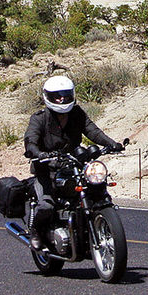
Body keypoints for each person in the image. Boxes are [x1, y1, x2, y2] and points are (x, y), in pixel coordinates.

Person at [23, 75, 123, 248]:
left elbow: (93, 131)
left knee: (96, 189)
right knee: (46, 204)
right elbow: (30, 139)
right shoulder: (39, 118)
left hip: (73, 164)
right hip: (47, 168)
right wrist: (38, 153)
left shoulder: (76, 113)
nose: (62, 99)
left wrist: (112, 143)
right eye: (57, 96)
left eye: (66, 94)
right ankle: (36, 232)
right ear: (48, 97)